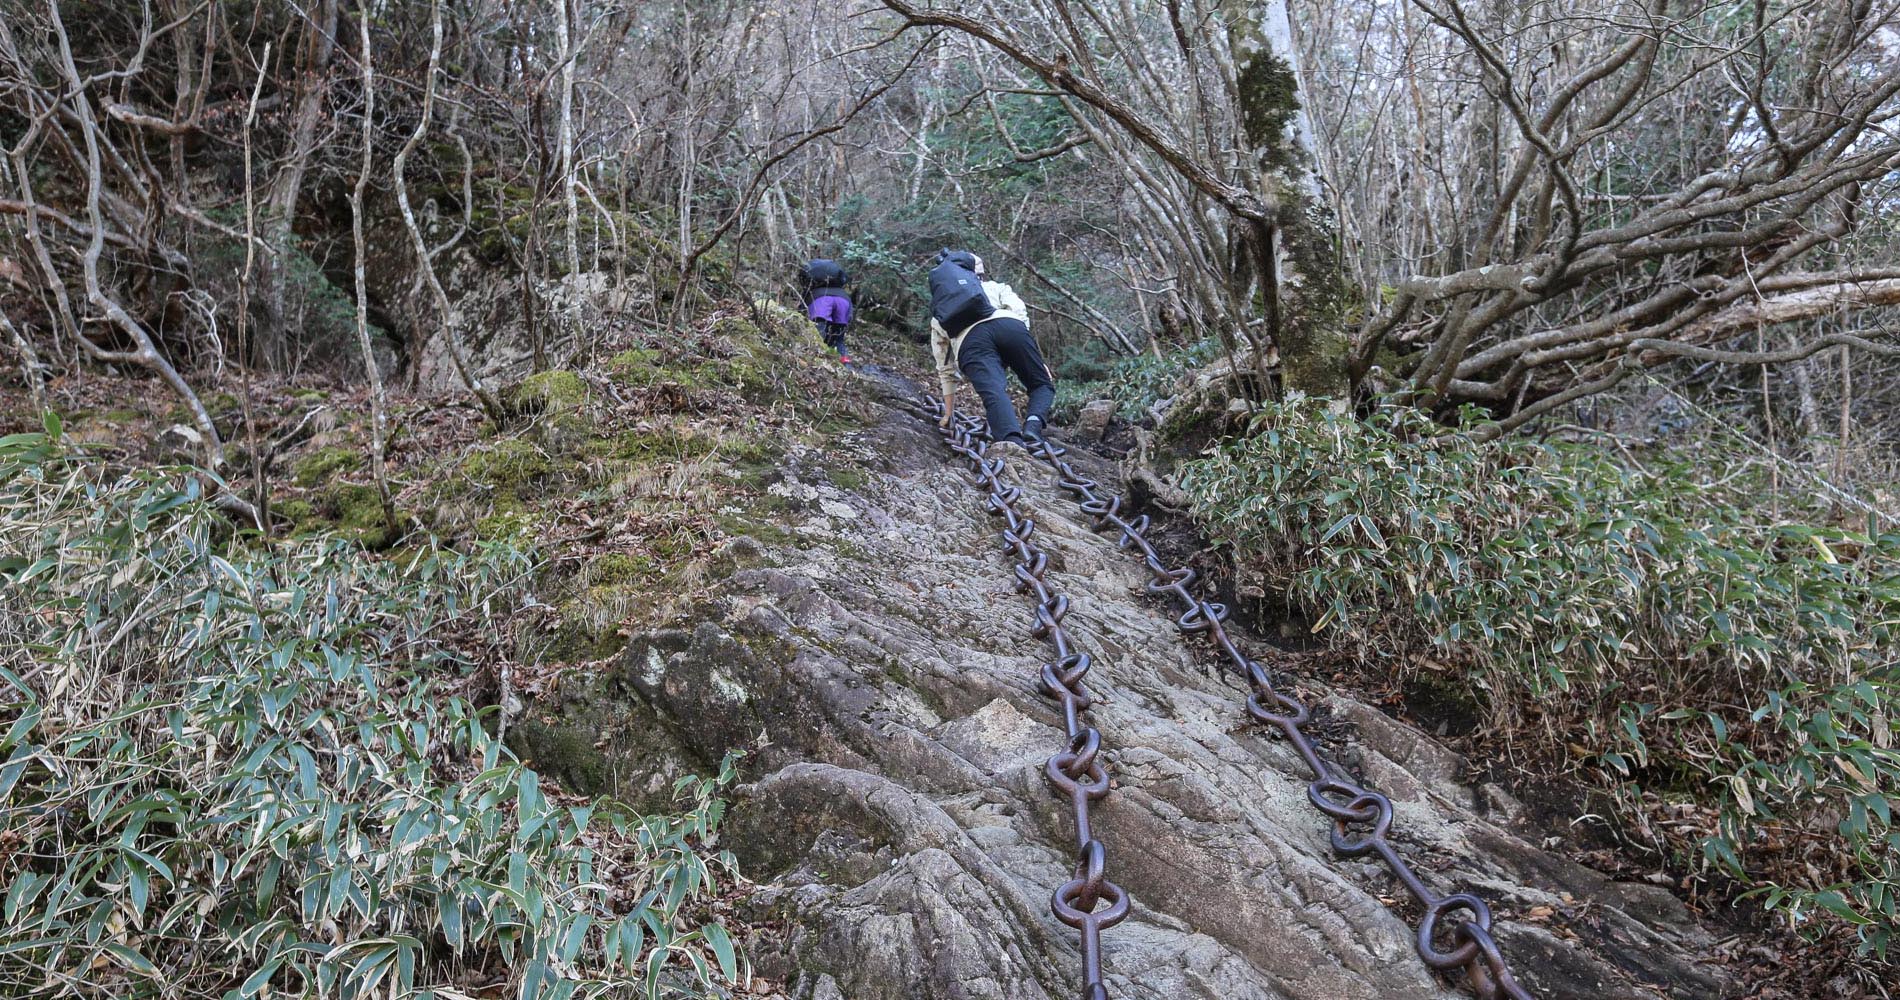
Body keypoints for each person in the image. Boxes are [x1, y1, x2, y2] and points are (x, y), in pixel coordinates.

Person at [929, 250, 1054, 447]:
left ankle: (1012, 443)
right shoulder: (996, 287)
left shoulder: (940, 313)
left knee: (995, 392)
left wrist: (948, 413)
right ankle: (1033, 425)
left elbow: (945, 368)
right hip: (1010, 326)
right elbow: (1019, 311)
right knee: (1041, 384)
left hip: (970, 343)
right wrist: (1033, 357)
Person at [803, 258, 853, 364]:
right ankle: (844, 365)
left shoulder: (813, 290)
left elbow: (802, 310)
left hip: (822, 301)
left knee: (817, 334)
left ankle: (815, 359)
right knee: (839, 339)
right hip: (843, 301)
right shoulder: (841, 290)